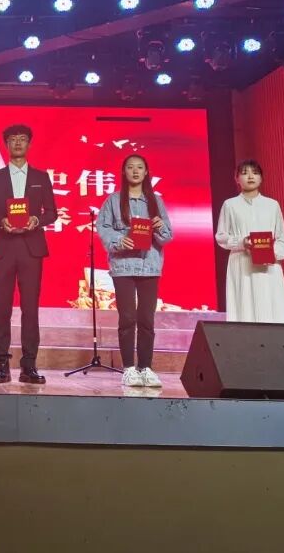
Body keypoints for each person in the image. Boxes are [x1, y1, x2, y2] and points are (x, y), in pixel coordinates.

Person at [0, 124, 57, 384]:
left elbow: (52, 212)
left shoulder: (41, 177)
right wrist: (1, 221)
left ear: (29, 144)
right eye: (13, 140)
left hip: (31, 248)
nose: (18, 143)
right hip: (4, 247)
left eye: (23, 139)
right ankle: (2, 364)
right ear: (6, 145)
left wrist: (37, 219)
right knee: (1, 308)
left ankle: (29, 365)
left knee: (30, 309)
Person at [96, 154, 173, 389]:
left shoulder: (155, 201)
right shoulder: (113, 200)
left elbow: (168, 236)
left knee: (147, 319)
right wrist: (119, 241)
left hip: (149, 266)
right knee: (128, 318)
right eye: (130, 167)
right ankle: (129, 369)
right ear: (124, 172)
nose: (135, 171)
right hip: (123, 266)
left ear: (146, 172)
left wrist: (159, 227)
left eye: (140, 167)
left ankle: (146, 368)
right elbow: (103, 228)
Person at [215, 159, 284, 323]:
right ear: (237, 179)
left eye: (255, 173)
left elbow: (282, 240)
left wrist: (270, 252)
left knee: (271, 307)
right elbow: (221, 236)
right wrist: (242, 242)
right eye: (244, 173)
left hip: (269, 266)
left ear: (261, 178)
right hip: (241, 263)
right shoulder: (230, 205)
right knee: (244, 307)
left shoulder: (272, 205)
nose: (250, 176)